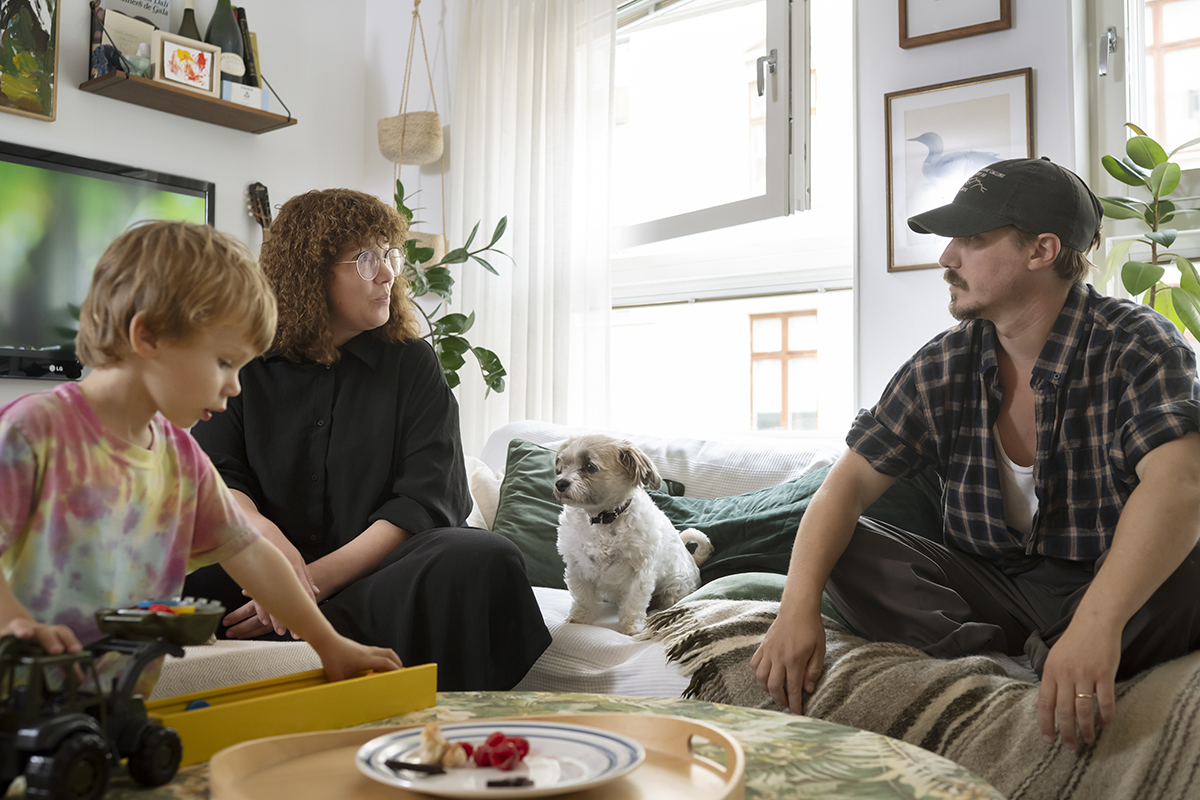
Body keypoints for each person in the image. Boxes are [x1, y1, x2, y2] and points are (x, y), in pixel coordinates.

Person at [751, 158, 1200, 751]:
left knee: (1189, 564)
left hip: (1106, 577)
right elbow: (847, 485)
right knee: (842, 541)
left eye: (971, 240)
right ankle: (1011, 662)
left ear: (1041, 250)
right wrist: (796, 607)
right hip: (991, 587)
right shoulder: (942, 363)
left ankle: (1062, 652)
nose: (946, 259)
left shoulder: (1138, 343)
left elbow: (1180, 484)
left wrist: (1097, 625)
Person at [0, 221, 403, 690]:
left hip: (119, 699)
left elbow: (251, 553)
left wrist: (327, 643)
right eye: (225, 362)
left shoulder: (180, 458)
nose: (235, 386)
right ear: (147, 335)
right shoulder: (35, 430)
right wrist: (12, 622)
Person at [182, 188, 551, 691]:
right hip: (255, 574)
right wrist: (270, 558)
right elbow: (216, 477)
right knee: (171, 563)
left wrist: (306, 586)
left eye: (389, 255)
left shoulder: (413, 364)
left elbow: (425, 500)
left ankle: (310, 636)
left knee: (483, 557)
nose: (388, 273)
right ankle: (317, 637)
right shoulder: (242, 358)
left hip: (375, 581)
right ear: (309, 271)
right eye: (366, 258)